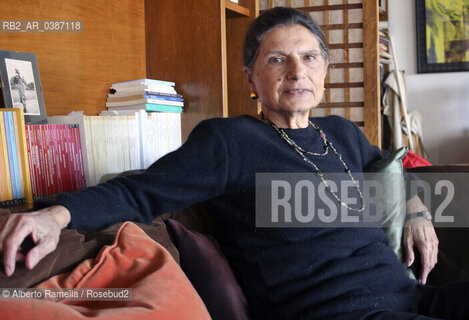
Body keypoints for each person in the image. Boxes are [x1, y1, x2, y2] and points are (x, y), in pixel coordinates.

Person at [0, 7, 463, 320]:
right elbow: (140, 191)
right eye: (277, 60)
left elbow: (391, 169)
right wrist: (55, 214)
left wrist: (420, 211)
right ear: (251, 79)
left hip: (412, 298)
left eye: (308, 58)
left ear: (325, 69)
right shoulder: (229, 141)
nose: (296, 72)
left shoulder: (340, 132)